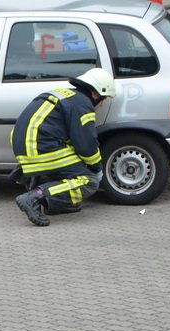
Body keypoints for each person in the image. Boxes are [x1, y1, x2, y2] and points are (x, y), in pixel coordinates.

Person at [11, 68, 116, 226]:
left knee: (70, 167)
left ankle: (58, 203)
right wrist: (96, 167)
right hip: (41, 147)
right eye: (103, 99)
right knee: (89, 181)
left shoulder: (65, 94)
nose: (101, 105)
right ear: (95, 93)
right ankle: (34, 196)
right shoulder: (82, 104)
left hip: (25, 145)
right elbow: (86, 145)